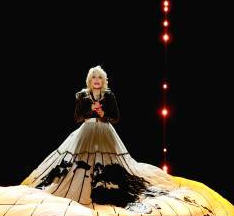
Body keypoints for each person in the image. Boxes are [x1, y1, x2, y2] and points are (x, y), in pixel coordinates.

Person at [22, 65, 185, 208]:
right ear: (89, 80)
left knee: (109, 165)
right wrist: (89, 110)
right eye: (94, 77)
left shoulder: (109, 96)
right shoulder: (82, 95)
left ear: (104, 81)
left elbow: (116, 118)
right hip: (86, 131)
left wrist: (103, 114)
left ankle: (103, 191)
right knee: (80, 164)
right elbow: (77, 117)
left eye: (100, 77)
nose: (97, 80)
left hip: (105, 131)